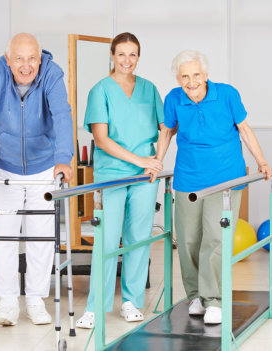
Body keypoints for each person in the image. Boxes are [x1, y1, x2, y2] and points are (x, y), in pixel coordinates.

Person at [0, 33, 74, 326]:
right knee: (5, 236)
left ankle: (36, 301)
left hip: (43, 166)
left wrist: (64, 158)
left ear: (40, 57)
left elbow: (62, 115)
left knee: (40, 236)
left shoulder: (51, 74)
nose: (26, 66)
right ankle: (8, 302)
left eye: (32, 58)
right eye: (19, 59)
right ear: (8, 58)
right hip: (4, 165)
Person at [154, 50, 272, 324]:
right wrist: (157, 162)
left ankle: (215, 299)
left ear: (206, 75)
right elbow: (166, 132)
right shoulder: (174, 98)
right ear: (177, 78)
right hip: (188, 179)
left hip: (226, 179)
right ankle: (196, 295)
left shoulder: (227, 94)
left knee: (215, 239)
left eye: (196, 75)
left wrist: (262, 161)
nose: (191, 81)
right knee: (188, 240)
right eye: (185, 76)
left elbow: (244, 129)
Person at [75, 32, 165, 329]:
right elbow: (100, 139)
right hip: (111, 174)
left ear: (139, 57)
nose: (127, 60)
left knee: (139, 238)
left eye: (133, 54)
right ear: (112, 55)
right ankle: (95, 307)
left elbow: (165, 129)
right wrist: (139, 160)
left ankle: (131, 302)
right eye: (122, 54)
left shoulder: (150, 90)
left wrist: (157, 161)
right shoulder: (99, 90)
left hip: (144, 178)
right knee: (107, 239)